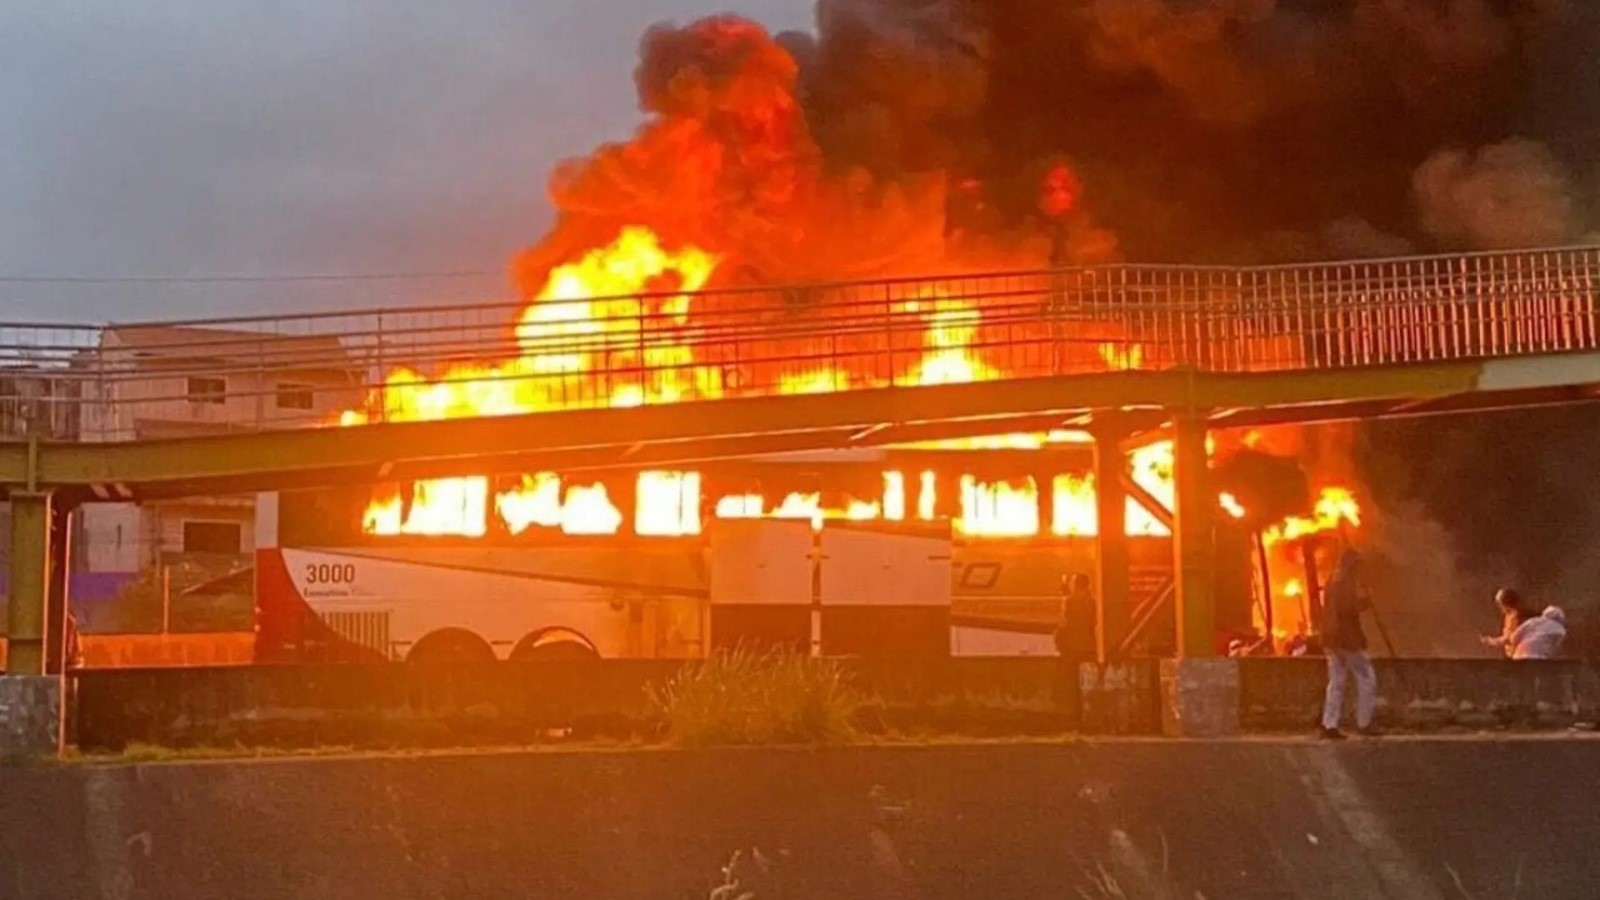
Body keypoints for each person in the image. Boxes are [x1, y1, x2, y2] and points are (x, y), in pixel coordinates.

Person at [1320, 548, 1377, 739]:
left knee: (1336, 681)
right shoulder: (1344, 581)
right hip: (1345, 638)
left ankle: (1330, 724)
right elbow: (1346, 608)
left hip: (1330, 638)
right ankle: (1364, 722)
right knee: (1366, 676)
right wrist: (1365, 602)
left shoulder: (1332, 579)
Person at [1054, 573, 1097, 662]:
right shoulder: (1093, 603)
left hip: (1072, 648)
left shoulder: (1069, 602)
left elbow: (1063, 624)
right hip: (1090, 647)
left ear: (1075, 585)